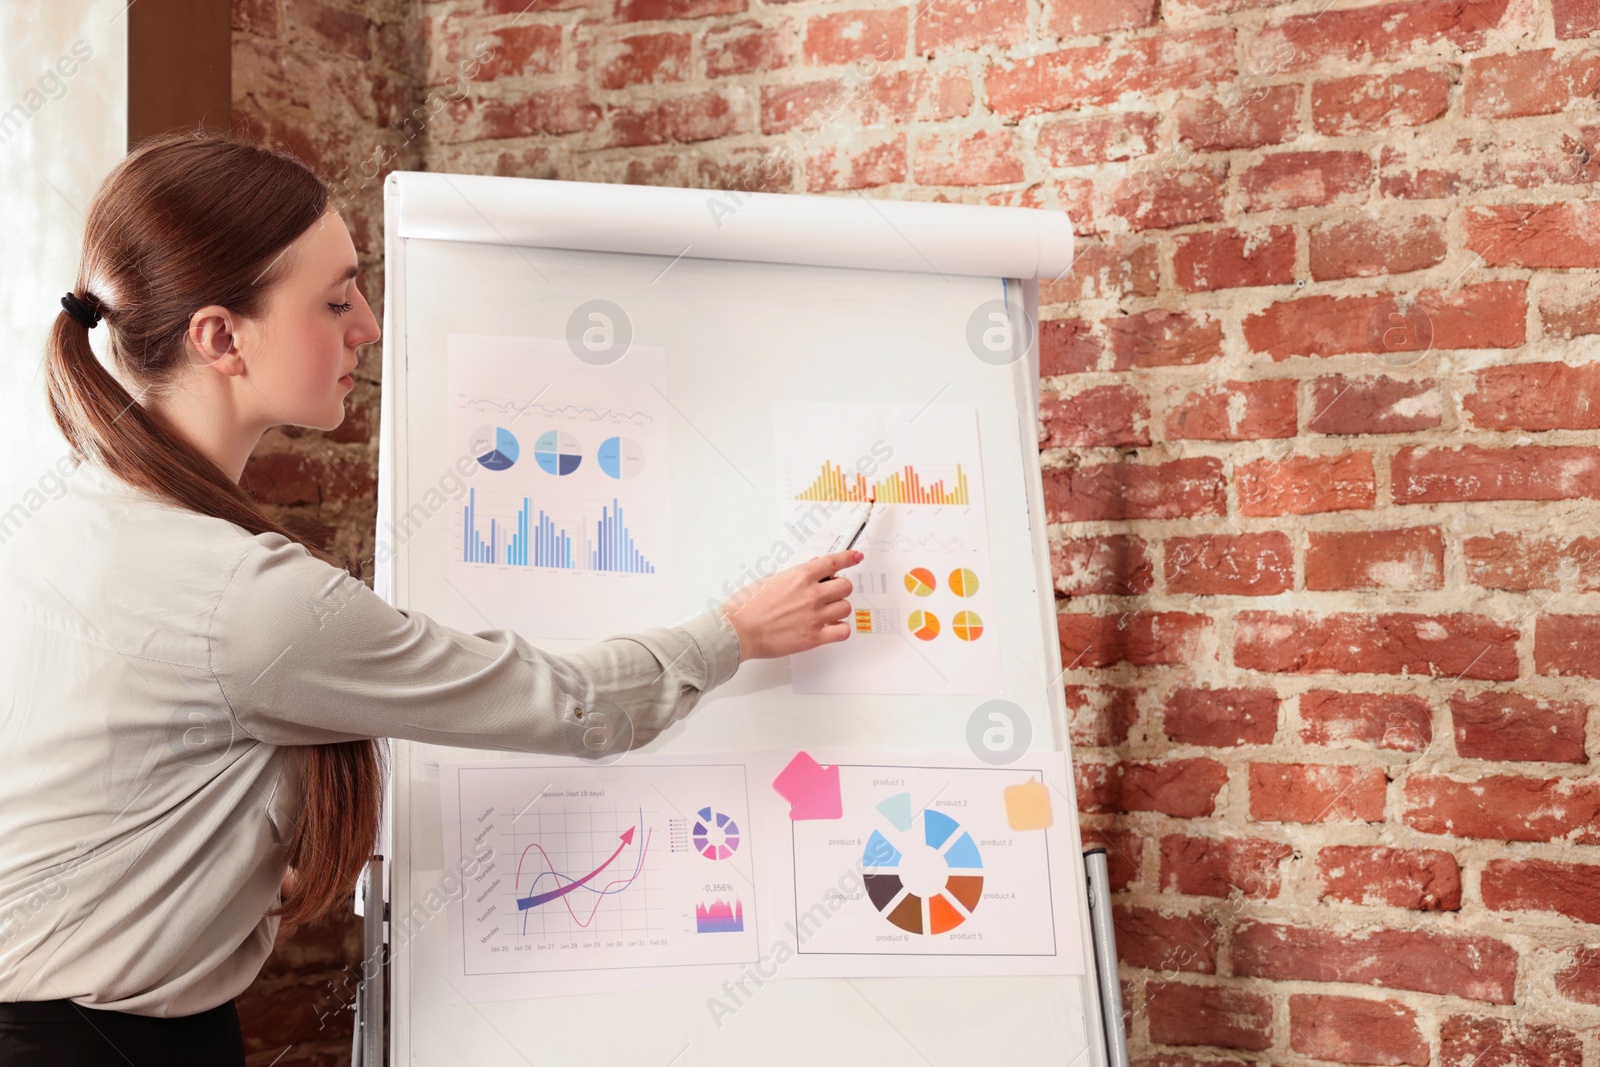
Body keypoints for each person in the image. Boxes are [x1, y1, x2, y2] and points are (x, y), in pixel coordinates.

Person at [0, 130, 859, 1066]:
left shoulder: (52, 522)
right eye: (334, 301)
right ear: (220, 336)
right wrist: (732, 633)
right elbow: (555, 698)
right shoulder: (241, 600)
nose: (366, 326)